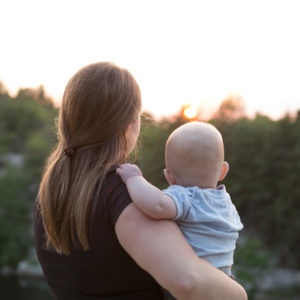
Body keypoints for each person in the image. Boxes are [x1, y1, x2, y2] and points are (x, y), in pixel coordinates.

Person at [34, 62, 248, 300]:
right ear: (129, 126)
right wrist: (238, 293)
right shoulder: (123, 196)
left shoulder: (51, 192)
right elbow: (187, 282)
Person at [117, 122, 243, 281]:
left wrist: (134, 178)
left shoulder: (186, 196)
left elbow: (158, 205)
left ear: (169, 177)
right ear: (223, 171)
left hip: (196, 278)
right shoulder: (226, 203)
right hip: (225, 280)